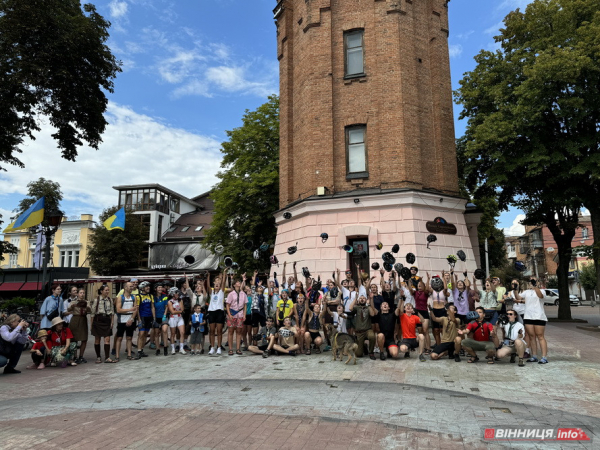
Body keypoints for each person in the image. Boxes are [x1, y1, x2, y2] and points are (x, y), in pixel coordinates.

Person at [516, 277, 548, 364]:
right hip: (528, 316)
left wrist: (535, 286)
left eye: (534, 280)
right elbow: (518, 297)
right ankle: (534, 356)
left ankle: (544, 357)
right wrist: (515, 289)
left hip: (539, 316)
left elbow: (540, 296)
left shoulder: (542, 291)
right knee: (531, 336)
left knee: (540, 336)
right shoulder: (526, 292)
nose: (531, 282)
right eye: (531, 281)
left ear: (538, 282)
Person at [90, 285, 116, 364]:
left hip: (107, 320)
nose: (107, 292)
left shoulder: (109, 300)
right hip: (98, 320)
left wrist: (112, 322)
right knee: (97, 339)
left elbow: (112, 312)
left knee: (107, 339)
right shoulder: (96, 300)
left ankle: (107, 357)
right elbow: (92, 313)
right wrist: (91, 325)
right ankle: (98, 357)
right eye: (106, 290)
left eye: (108, 290)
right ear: (101, 291)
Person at [115, 281, 138, 361]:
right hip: (121, 320)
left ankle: (129, 354)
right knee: (119, 338)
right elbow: (118, 310)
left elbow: (135, 309)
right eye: (130, 286)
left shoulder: (134, 297)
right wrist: (129, 310)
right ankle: (117, 356)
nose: (132, 288)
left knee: (129, 337)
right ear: (125, 287)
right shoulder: (121, 297)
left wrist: (132, 319)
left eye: (132, 286)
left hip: (130, 320)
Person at [349, 294, 377, 360]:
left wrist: (369, 304)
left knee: (372, 336)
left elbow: (372, 314)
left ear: (366, 300)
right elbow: (350, 308)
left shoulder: (368, 308)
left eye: (363, 298)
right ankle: (364, 346)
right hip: (359, 332)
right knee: (359, 354)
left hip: (368, 330)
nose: (362, 299)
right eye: (360, 298)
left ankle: (371, 352)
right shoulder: (357, 308)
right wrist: (355, 299)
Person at [67, 288, 91, 363]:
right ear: (78, 294)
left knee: (84, 339)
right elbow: (68, 309)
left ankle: (81, 356)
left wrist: (87, 306)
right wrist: (73, 306)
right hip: (75, 319)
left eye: (83, 293)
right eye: (80, 293)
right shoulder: (74, 301)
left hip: (83, 319)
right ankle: (75, 356)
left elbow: (90, 310)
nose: (82, 294)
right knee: (74, 339)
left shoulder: (87, 302)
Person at [225, 279, 248, 355]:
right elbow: (227, 305)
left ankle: (238, 348)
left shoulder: (243, 294)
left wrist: (244, 315)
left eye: (239, 282)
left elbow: (245, 305)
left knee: (239, 332)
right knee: (231, 331)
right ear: (234, 285)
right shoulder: (231, 294)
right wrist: (229, 314)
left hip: (240, 314)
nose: (239, 283)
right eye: (237, 282)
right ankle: (230, 349)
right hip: (232, 313)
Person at [428, 273, 451, 347]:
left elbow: (445, 288)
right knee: (436, 330)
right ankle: (438, 346)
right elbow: (427, 289)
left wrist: (443, 277)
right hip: (435, 310)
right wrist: (428, 279)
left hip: (442, 310)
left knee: (442, 330)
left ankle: (444, 345)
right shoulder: (433, 291)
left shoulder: (443, 292)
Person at [207, 270, 226, 356]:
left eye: (219, 283)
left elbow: (224, 282)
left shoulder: (221, 292)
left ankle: (219, 347)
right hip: (211, 312)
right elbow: (207, 286)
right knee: (211, 331)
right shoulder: (211, 292)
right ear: (213, 284)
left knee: (219, 331)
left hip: (219, 312)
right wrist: (208, 276)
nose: (217, 284)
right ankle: (212, 347)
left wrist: (224, 273)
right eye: (215, 283)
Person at [135, 281, 155, 358]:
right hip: (142, 316)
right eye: (146, 287)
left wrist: (154, 318)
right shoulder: (138, 296)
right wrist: (139, 319)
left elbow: (152, 307)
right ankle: (139, 350)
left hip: (149, 317)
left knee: (146, 334)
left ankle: (142, 349)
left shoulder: (150, 296)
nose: (148, 288)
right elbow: (137, 309)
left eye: (148, 286)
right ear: (142, 288)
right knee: (141, 334)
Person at [413, 280, 432, 353]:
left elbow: (427, 289)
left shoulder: (425, 293)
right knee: (420, 331)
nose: (419, 287)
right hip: (417, 312)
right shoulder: (415, 293)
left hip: (424, 312)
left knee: (425, 330)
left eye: (421, 285)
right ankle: (423, 347)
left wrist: (428, 278)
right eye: (418, 286)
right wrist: (408, 280)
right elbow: (411, 290)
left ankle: (428, 347)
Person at [167, 287, 187, 355]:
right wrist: (179, 311)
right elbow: (172, 312)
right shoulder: (170, 301)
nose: (178, 294)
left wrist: (178, 311)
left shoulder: (180, 300)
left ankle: (181, 348)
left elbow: (182, 309)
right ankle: (173, 348)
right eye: (176, 293)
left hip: (179, 318)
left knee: (182, 332)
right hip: (173, 318)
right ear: (173, 294)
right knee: (173, 334)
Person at [153, 284, 170, 356]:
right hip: (156, 317)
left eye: (161, 287)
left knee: (165, 331)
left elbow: (166, 307)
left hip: (163, 316)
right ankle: (157, 349)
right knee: (156, 334)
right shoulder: (153, 297)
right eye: (159, 287)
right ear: (155, 289)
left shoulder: (165, 296)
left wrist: (165, 315)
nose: (160, 289)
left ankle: (165, 347)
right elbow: (153, 307)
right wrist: (154, 318)